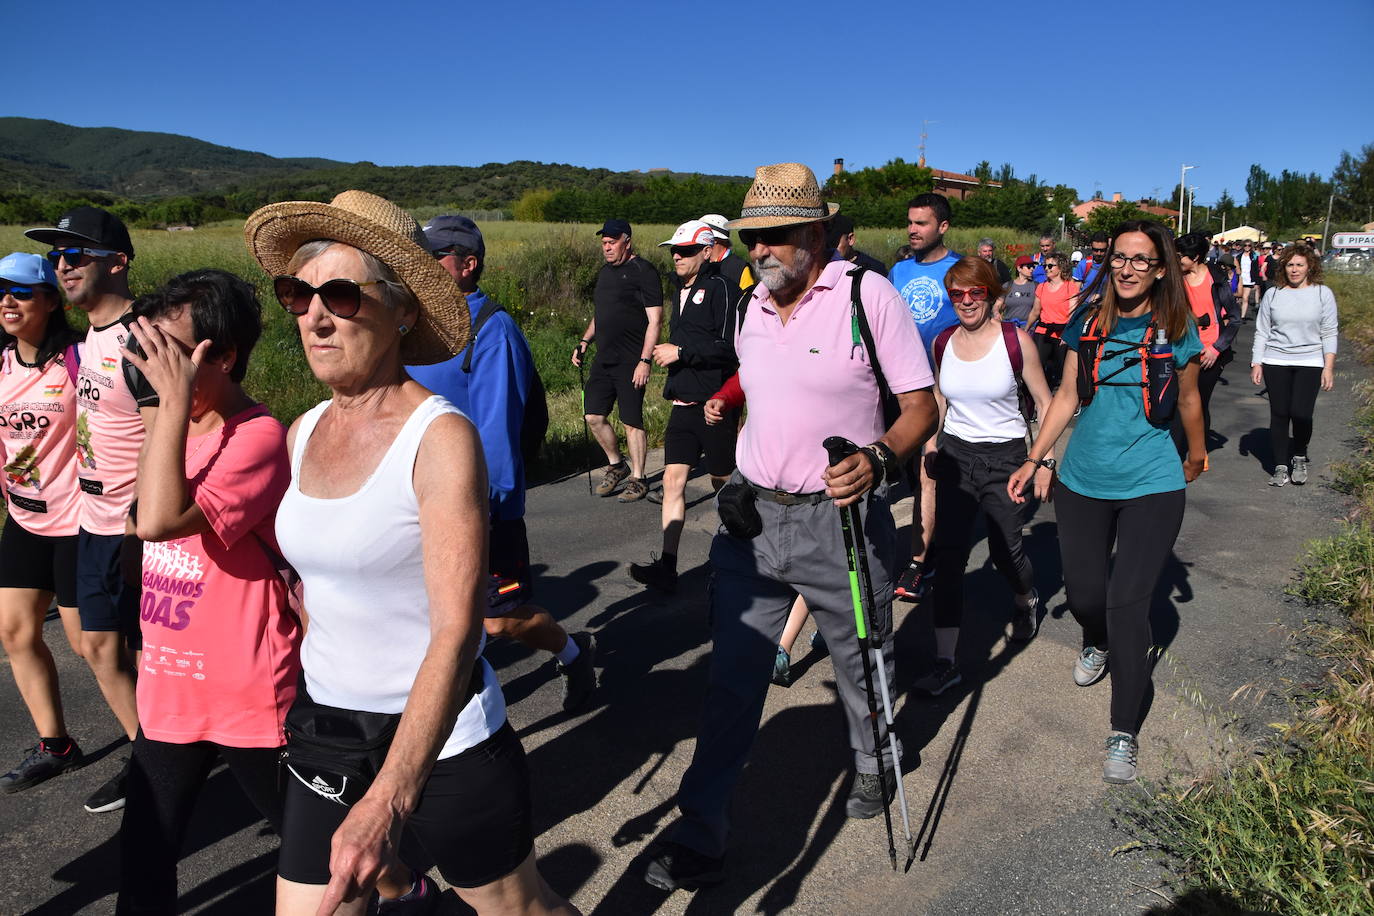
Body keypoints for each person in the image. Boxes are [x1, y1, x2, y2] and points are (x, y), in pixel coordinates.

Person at [244, 191, 577, 915]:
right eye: (298, 295)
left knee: (521, 909)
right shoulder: (301, 432)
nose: (314, 315)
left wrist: (390, 796)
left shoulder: (439, 438)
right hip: (327, 731)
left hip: (443, 736)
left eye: (339, 294)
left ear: (401, 312)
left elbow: (457, 631)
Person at [643, 163, 938, 891]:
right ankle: (703, 829)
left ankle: (874, 763)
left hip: (838, 520)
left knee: (862, 661)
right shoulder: (749, 306)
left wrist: (877, 458)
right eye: (750, 239)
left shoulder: (869, 296)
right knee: (732, 684)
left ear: (813, 234)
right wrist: (730, 421)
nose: (759, 251)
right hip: (752, 522)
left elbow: (921, 406)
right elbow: (762, 391)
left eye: (773, 237)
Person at [113, 269, 298, 914]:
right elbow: (139, 519)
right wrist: (164, 413)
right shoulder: (176, 430)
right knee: (143, 859)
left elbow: (161, 519)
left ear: (221, 355)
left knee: (312, 845)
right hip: (168, 682)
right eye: (148, 350)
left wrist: (164, 409)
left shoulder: (258, 437)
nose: (151, 368)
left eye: (167, 352)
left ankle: (402, 887)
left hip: (245, 684)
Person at [1008, 220, 1206, 784]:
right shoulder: (1087, 322)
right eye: (1120, 257)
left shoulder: (1175, 326)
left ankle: (1124, 729)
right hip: (1082, 481)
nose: (1128, 268)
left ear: (1161, 268)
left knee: (1127, 603)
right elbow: (1067, 395)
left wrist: (1195, 456)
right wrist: (1036, 457)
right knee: (1088, 593)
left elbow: (1189, 398)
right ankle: (1093, 639)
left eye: (1142, 260)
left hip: (1152, 482)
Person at [407, 215, 596, 713]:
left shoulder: (493, 329)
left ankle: (574, 653)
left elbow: (498, 434)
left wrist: (486, 512)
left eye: (436, 257)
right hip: (417, 502)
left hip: (481, 506)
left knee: (499, 620)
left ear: (468, 265)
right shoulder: (412, 328)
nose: (424, 266)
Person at [24, 206, 144, 813]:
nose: (62, 266)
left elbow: (173, 434)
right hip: (91, 520)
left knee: (150, 652)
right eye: (56, 257)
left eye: (75, 255)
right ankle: (149, 752)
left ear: (118, 262)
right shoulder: (90, 336)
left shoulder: (143, 337)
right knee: (99, 647)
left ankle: (168, 758)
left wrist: (141, 521)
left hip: (138, 526)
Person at [917, 257, 1054, 696]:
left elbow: (1047, 404)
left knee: (1005, 552)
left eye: (976, 292)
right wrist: (930, 442)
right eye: (958, 294)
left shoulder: (1017, 342)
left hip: (1007, 459)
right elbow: (940, 396)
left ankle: (1024, 598)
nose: (967, 302)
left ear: (992, 295)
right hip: (957, 457)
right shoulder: (942, 342)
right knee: (950, 555)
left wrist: (1044, 461)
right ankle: (945, 662)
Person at [0, 253, 86, 794]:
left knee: (92, 645)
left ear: (50, 300)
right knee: (14, 630)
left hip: (79, 519)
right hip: (23, 517)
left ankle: (164, 739)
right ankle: (56, 745)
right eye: (0, 291)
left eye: (21, 292)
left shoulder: (76, 361)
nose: (7, 301)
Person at [629, 221, 740, 593]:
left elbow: (730, 347)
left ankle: (741, 560)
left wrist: (682, 352)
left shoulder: (721, 288)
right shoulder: (679, 288)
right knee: (672, 480)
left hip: (713, 402)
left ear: (707, 252)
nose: (677, 256)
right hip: (682, 401)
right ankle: (668, 565)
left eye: (687, 250)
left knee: (724, 482)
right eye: (674, 250)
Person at [887, 192, 961, 601]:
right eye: (910, 222)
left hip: (938, 385)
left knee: (926, 474)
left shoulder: (961, 269)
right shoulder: (897, 271)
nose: (913, 230)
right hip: (897, 384)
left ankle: (918, 562)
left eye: (922, 223)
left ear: (943, 227)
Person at [572, 219, 663, 503]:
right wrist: (585, 341)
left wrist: (645, 360)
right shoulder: (605, 273)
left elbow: (655, 319)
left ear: (627, 241)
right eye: (604, 243)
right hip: (604, 359)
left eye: (612, 242)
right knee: (593, 416)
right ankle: (617, 465)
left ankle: (639, 478)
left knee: (631, 421)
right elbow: (602, 314)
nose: (607, 247)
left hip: (631, 361)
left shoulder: (643, 271)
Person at [1250, 243, 1338, 487]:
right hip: (1275, 360)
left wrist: (1328, 367)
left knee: (1301, 413)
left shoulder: (1322, 293)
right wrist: (1257, 362)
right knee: (1279, 413)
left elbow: (1330, 332)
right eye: (1290, 265)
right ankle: (1280, 465)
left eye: (1300, 264)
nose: (1294, 270)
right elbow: (1262, 331)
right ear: (1283, 267)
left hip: (1310, 361)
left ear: (1310, 267)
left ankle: (1299, 454)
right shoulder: (1273, 294)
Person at [1174, 232, 1240, 458]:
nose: (1177, 259)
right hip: (1180, 351)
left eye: (1181, 256)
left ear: (1197, 257)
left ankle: (1197, 452)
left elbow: (1235, 318)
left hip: (1209, 352)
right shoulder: (1174, 279)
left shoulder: (1216, 279)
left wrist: (1216, 348)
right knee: (1176, 403)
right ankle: (1176, 454)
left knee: (1198, 403)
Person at [1032, 252, 1079, 391]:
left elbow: (1073, 312)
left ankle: (1062, 396)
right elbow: (1035, 311)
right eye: (1045, 265)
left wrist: (1068, 334)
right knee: (1038, 365)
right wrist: (1026, 328)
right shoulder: (1041, 287)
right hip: (1043, 330)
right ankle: (1039, 396)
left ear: (1060, 267)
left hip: (1061, 332)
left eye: (1051, 265)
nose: (1047, 268)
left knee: (1061, 368)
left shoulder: (1070, 287)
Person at [700, 214, 753, 289]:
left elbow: (747, 298)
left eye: (702, 237)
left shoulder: (739, 267)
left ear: (714, 240)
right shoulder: (701, 264)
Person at [1002, 255, 1039, 328]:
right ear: (1019, 268)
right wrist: (996, 312)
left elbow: (1037, 310)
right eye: (1028, 266)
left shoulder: (1036, 286)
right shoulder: (1007, 285)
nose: (1032, 269)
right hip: (1009, 328)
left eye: (1033, 266)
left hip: (1029, 328)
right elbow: (998, 304)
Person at [1236, 240, 1259, 319]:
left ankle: (1242, 316)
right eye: (1245, 245)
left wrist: (1256, 282)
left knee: (1245, 298)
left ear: (1251, 246)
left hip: (1249, 279)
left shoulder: (1254, 256)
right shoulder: (1239, 256)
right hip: (1240, 278)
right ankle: (1237, 314)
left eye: (1249, 245)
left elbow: (1256, 269)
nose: (1247, 247)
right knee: (1239, 298)